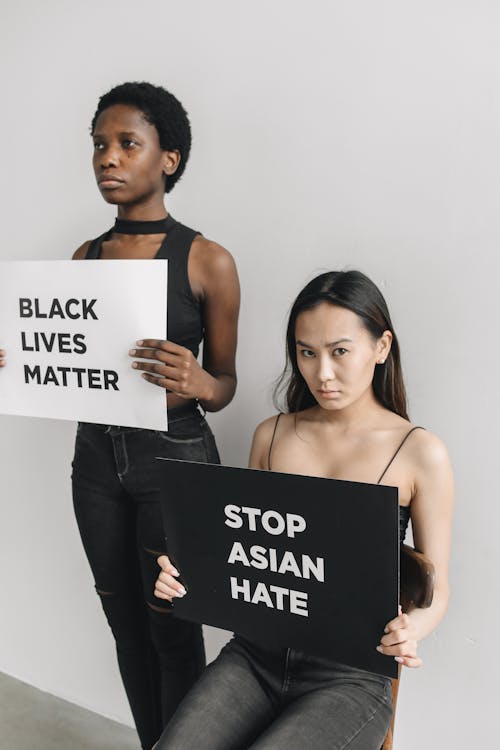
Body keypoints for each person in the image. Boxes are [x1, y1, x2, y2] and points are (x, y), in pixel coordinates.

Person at [153, 270, 453, 750]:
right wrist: (184, 575)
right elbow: (244, 549)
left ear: (381, 347)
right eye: (306, 352)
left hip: (350, 676)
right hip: (255, 655)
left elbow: (437, 588)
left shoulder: (421, 453)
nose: (322, 373)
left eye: (340, 351)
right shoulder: (271, 434)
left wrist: (410, 629)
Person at [70, 82, 240, 750]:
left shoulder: (208, 260)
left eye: (126, 144)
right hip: (93, 460)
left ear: (167, 158)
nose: (108, 158)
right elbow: (77, 363)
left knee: (174, 624)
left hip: (174, 457)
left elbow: (225, 382)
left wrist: (200, 379)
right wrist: (26, 360)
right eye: (99, 146)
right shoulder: (83, 259)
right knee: (124, 624)